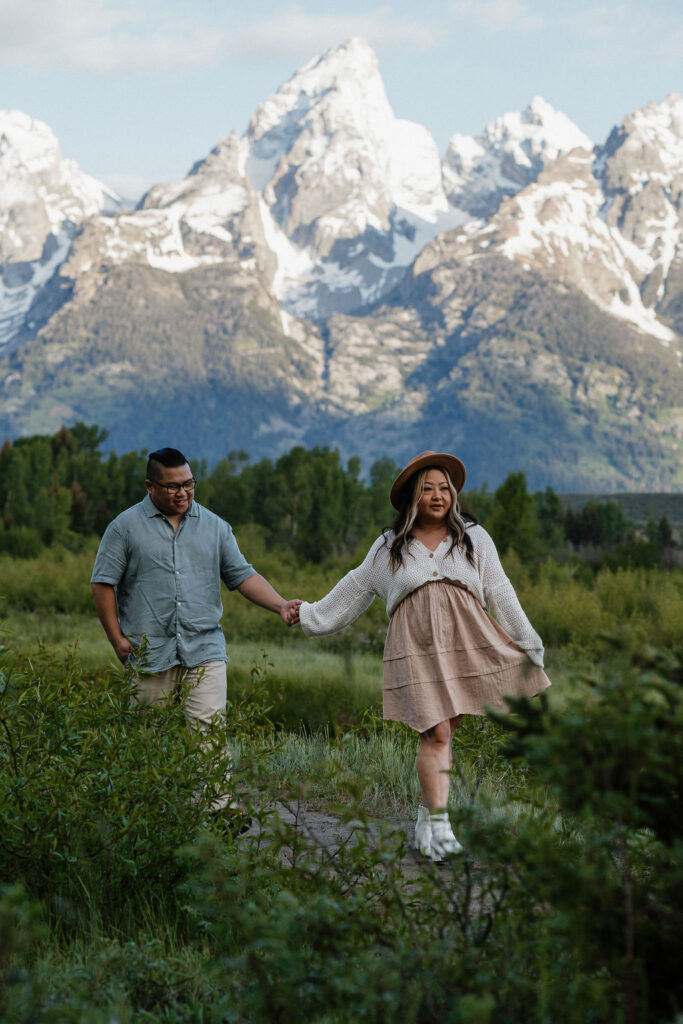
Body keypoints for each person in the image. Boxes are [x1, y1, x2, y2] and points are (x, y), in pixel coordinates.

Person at [298, 451, 550, 861]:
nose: (438, 496)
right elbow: (355, 587)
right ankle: (441, 826)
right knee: (434, 733)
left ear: (453, 494)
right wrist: (310, 614)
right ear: (413, 497)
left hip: (467, 641)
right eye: (428, 489)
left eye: (444, 488)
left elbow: (500, 591)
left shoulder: (474, 537)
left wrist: (528, 640)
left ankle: (424, 822)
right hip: (415, 644)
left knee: (445, 734)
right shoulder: (390, 546)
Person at [90, 447, 301, 829]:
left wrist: (281, 605)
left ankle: (217, 815)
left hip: (204, 648)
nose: (182, 493)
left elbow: (242, 576)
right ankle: (148, 819)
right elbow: (103, 583)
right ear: (150, 486)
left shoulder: (216, 527)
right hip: (147, 650)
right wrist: (117, 640)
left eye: (188, 484)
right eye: (172, 486)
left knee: (208, 731)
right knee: (148, 738)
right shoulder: (124, 527)